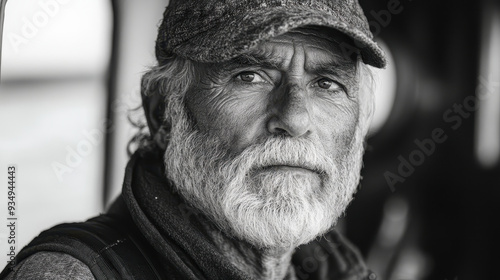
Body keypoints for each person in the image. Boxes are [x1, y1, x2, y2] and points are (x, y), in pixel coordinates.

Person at [1, 0, 386, 279]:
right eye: (249, 76)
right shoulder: (74, 274)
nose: (295, 118)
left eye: (327, 84)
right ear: (162, 113)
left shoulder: (339, 270)